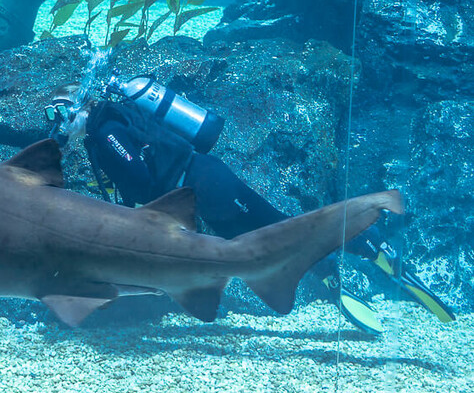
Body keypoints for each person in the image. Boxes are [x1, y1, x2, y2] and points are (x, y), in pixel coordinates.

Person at [44, 75, 456, 334]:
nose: (58, 123)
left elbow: (139, 179)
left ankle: (368, 242)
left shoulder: (105, 133)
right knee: (263, 244)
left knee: (277, 229)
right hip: (203, 185)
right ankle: (327, 269)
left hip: (207, 187)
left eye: (59, 112)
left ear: (77, 106)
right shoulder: (112, 119)